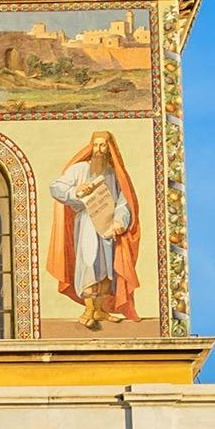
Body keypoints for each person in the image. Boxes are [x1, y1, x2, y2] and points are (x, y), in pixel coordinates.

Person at [46, 131, 140, 329]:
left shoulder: (114, 175)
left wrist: (119, 221)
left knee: (106, 269)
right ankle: (88, 310)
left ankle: (99, 310)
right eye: (96, 145)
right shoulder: (80, 169)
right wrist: (76, 192)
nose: (99, 150)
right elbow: (56, 187)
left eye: (103, 145)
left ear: (110, 148)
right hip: (87, 224)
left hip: (107, 226)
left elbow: (124, 202)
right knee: (89, 263)